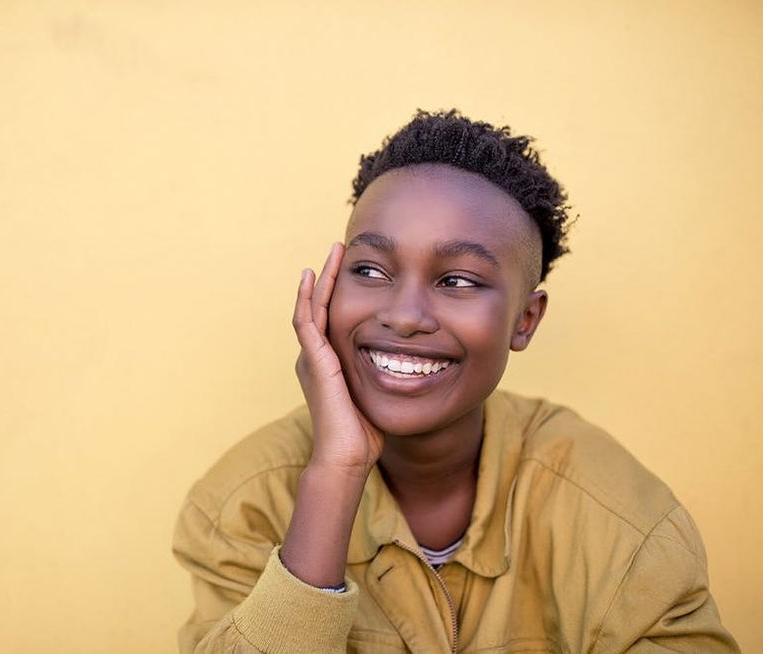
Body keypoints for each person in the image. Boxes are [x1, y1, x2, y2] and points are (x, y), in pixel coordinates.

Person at [172, 110, 739, 653]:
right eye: (369, 270)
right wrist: (336, 473)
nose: (404, 315)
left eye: (459, 280)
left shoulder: (621, 524)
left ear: (525, 319)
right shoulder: (241, 505)